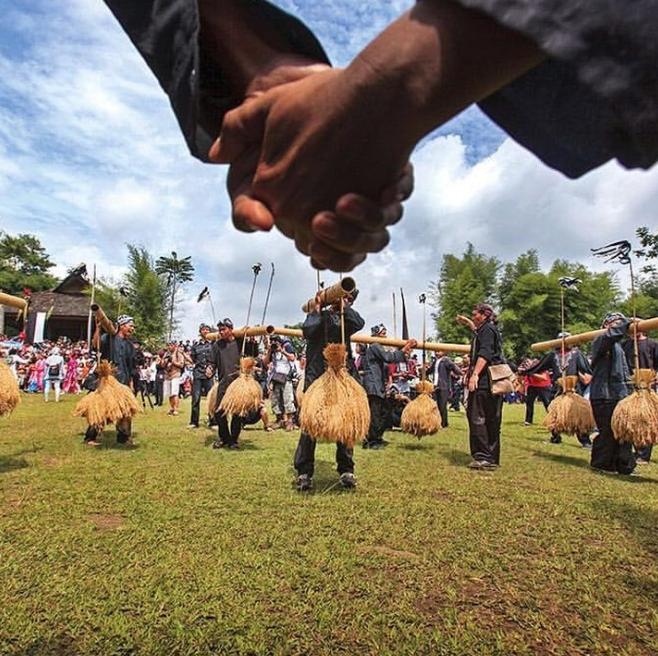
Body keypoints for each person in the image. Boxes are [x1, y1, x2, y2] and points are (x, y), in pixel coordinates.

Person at [293, 290, 365, 491]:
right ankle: (304, 472)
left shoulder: (346, 319)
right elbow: (308, 331)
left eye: (350, 299)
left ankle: (346, 470)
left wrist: (344, 308)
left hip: (343, 380)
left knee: (346, 423)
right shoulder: (320, 317)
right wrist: (317, 309)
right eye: (344, 297)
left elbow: (359, 322)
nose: (347, 301)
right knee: (310, 426)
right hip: (317, 378)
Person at [457, 304, 504, 470]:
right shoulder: (488, 330)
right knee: (492, 418)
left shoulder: (486, 331)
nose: (473, 316)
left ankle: (483, 457)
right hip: (492, 383)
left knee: (477, 417)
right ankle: (491, 457)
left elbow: (485, 353)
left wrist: (475, 374)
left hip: (484, 381)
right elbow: (479, 337)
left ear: (483, 315)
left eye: (474, 314)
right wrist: (468, 322)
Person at [589, 313, 636, 475]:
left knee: (624, 431)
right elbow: (612, 335)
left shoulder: (620, 347)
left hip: (620, 394)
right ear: (606, 325)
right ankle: (602, 463)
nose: (619, 326)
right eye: (615, 323)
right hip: (604, 394)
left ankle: (625, 466)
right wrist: (627, 322)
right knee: (608, 431)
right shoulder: (600, 340)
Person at [85, 315, 137, 447]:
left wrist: (131, 384)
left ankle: (123, 438)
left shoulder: (130, 345)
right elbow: (96, 344)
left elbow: (131, 367)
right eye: (130, 326)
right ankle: (90, 437)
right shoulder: (110, 338)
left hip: (123, 381)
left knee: (126, 411)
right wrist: (98, 329)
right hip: (108, 381)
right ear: (122, 326)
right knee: (101, 409)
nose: (132, 328)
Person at [361, 324, 415, 449]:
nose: (385, 335)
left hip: (377, 385)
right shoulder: (375, 346)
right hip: (373, 386)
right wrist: (404, 348)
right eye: (383, 333)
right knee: (375, 415)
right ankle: (371, 442)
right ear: (377, 335)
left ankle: (377, 438)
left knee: (384, 413)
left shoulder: (376, 347)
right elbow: (388, 357)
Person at [622, 327, 658, 465]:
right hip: (630, 386)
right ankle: (633, 450)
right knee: (631, 419)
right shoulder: (625, 345)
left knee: (646, 420)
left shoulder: (652, 344)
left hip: (647, 387)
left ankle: (643, 455)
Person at [211, 318, 242, 449]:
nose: (221, 332)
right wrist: (210, 368)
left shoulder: (240, 342)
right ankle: (225, 438)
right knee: (219, 412)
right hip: (223, 382)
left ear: (231, 329)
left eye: (224, 329)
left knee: (237, 413)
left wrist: (253, 341)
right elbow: (212, 362)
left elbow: (254, 354)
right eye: (220, 330)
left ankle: (234, 440)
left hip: (238, 383)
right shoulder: (217, 345)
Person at [263, 335, 297, 430]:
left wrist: (282, 351)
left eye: (276, 342)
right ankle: (279, 420)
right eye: (272, 341)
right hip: (276, 377)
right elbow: (265, 363)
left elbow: (292, 358)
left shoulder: (287, 346)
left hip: (286, 377)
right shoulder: (272, 351)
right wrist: (270, 351)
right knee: (275, 400)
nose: (274, 344)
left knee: (288, 399)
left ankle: (290, 421)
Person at [188, 323, 215, 429]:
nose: (206, 331)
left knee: (211, 399)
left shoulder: (214, 344)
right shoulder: (195, 345)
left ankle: (213, 421)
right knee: (195, 398)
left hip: (209, 375)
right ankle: (194, 422)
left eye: (207, 329)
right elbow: (193, 359)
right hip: (198, 374)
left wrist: (211, 369)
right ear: (200, 332)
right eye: (203, 329)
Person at [429, 350, 461, 428]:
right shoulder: (435, 361)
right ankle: (438, 422)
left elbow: (454, 368)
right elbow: (430, 370)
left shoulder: (446, 360)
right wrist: (422, 372)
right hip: (435, 385)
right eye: (435, 351)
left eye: (439, 351)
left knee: (442, 405)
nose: (436, 352)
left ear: (444, 352)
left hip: (444, 386)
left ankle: (443, 423)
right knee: (435, 405)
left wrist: (460, 373)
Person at [162, 341, 185, 416]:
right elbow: (162, 364)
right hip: (167, 375)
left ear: (175, 346)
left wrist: (173, 362)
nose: (169, 347)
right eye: (168, 345)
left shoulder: (178, 353)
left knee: (175, 393)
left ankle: (175, 409)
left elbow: (181, 365)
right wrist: (165, 361)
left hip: (175, 374)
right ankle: (171, 408)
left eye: (171, 345)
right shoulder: (166, 354)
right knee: (169, 393)